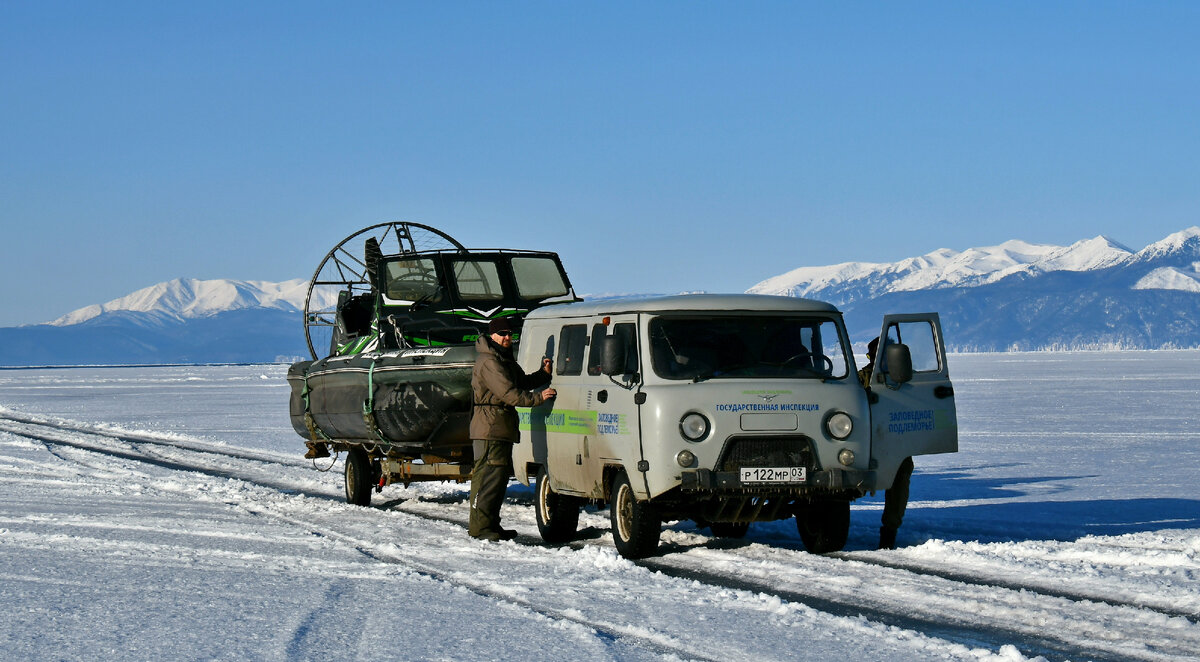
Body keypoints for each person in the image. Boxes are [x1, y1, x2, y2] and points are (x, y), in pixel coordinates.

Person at [468, 318, 556, 541]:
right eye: (503, 334)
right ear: (493, 335)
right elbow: (509, 393)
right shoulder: (490, 362)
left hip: (499, 427)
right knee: (487, 479)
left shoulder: (502, 358)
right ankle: (480, 529)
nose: (508, 337)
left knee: (497, 480)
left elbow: (521, 382)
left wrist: (543, 374)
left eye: (510, 333)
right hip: (489, 428)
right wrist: (538, 398)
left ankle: (491, 525)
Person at [859, 336, 914, 550]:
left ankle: (890, 531)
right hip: (866, 440)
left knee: (901, 474)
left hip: (896, 440)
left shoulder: (907, 379)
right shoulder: (862, 378)